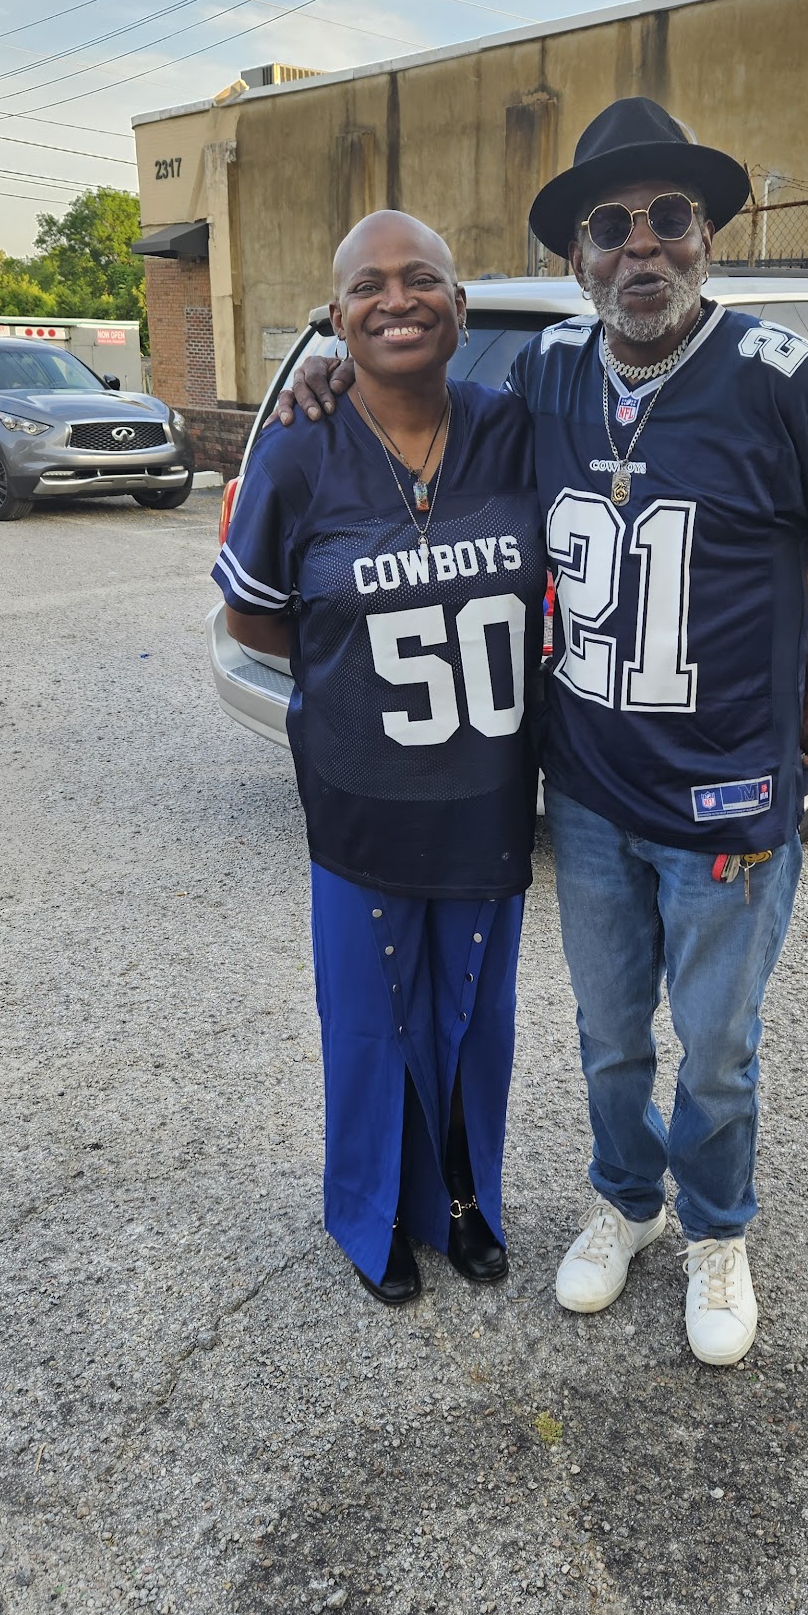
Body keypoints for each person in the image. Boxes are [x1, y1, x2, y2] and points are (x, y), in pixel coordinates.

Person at [279, 99, 808, 1364]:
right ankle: (627, 1202)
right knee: (609, 1034)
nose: (643, 246)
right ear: (576, 259)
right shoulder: (551, 376)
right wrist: (333, 369)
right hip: (585, 789)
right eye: (609, 226)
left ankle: (718, 1231)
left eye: (668, 217)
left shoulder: (778, 377)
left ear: (707, 235)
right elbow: (429, 411)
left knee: (718, 1048)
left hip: (728, 794)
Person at [215, 210, 544, 1308]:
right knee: (370, 1019)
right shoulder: (299, 450)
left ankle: (466, 1201)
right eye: (368, 286)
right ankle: (375, 1213)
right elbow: (256, 616)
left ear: (460, 306)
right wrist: (355, 668)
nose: (396, 299)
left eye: (421, 279)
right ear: (336, 317)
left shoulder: (513, 429)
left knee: (475, 1018)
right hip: (361, 794)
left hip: (486, 790)